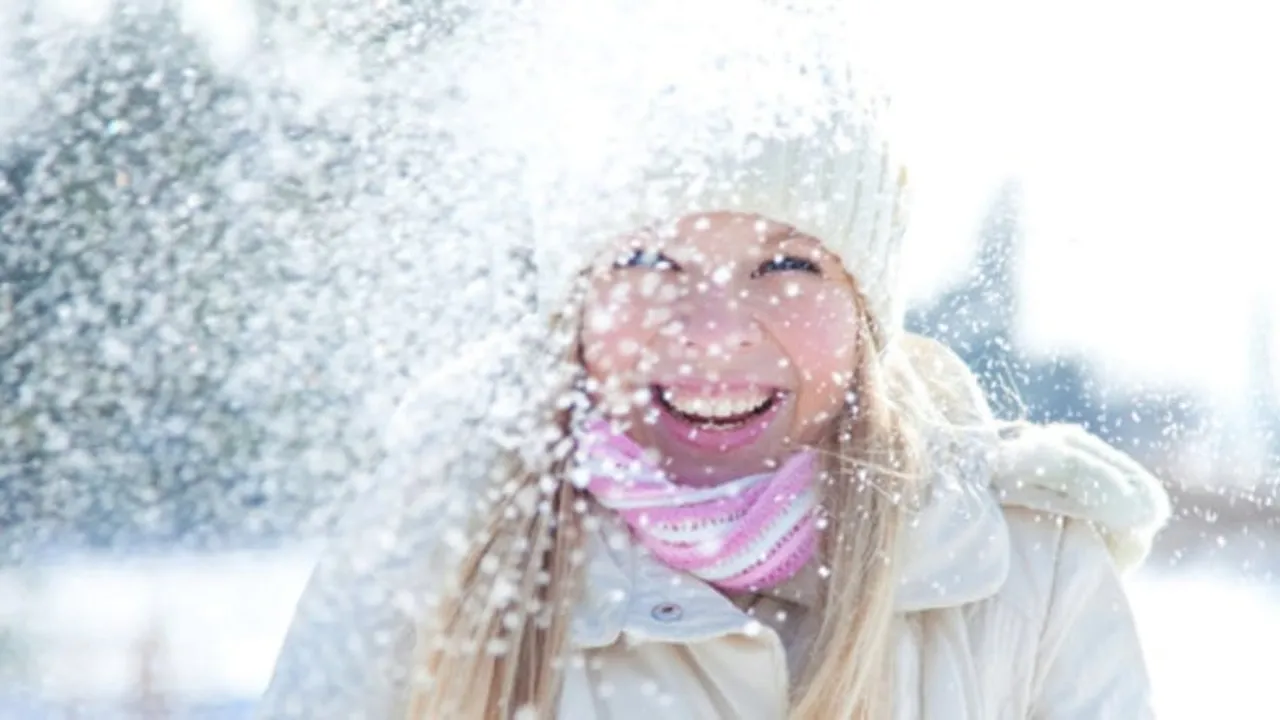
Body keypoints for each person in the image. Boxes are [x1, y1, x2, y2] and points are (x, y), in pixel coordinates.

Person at [256, 18, 1171, 719]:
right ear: (575, 309)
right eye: (651, 262)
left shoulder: (1031, 570)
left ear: (866, 314)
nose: (714, 332)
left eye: (789, 266)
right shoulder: (435, 550)